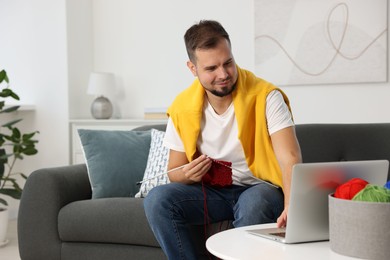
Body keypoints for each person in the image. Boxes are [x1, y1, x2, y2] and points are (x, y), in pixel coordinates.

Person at [144, 20, 302, 260]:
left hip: (260, 188)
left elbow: (289, 156)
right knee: (157, 200)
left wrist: (292, 204)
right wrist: (188, 174)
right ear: (193, 68)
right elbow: (173, 172)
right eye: (211, 68)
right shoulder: (182, 107)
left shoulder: (266, 97)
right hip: (212, 193)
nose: (223, 74)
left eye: (228, 63)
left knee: (255, 202)